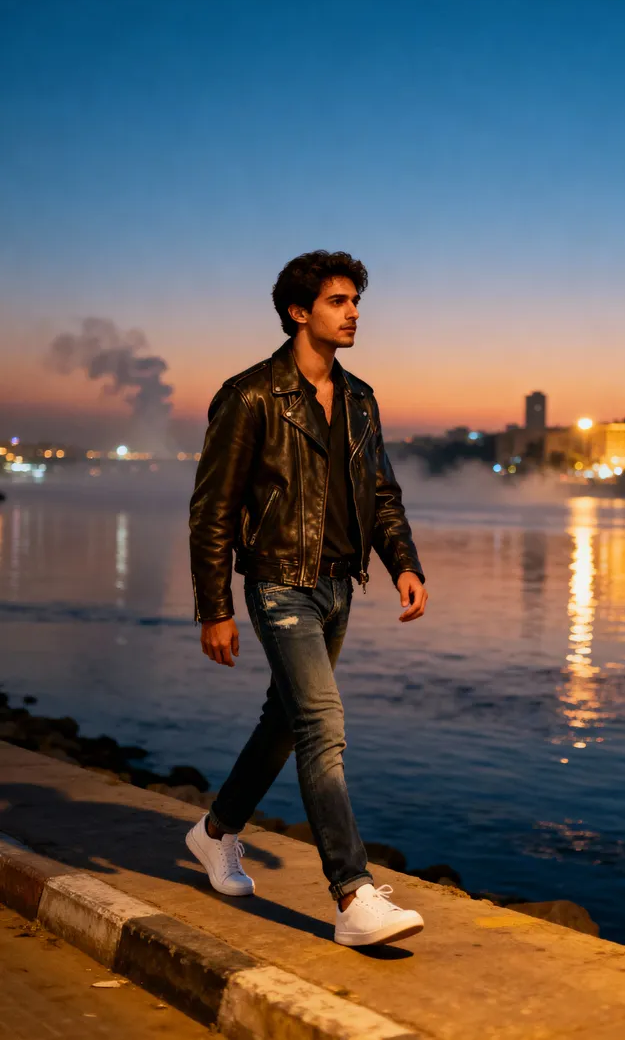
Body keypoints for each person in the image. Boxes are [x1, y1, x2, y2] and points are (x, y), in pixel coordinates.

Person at [186, 250, 429, 946]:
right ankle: (353, 895)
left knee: (286, 722)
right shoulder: (250, 396)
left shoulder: (359, 398)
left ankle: (215, 833)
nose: (353, 314)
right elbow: (212, 510)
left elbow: (381, 493)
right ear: (299, 312)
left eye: (356, 302)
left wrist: (403, 563)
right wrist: (215, 608)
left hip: (338, 585)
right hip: (278, 582)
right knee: (323, 722)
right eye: (338, 301)